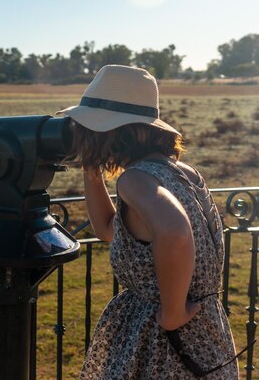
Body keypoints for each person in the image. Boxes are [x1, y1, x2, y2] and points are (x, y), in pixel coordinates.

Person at [56, 65, 240, 379]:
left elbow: (174, 229)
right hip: (206, 332)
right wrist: (92, 168)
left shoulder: (135, 180)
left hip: (160, 342)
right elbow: (107, 229)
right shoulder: (184, 173)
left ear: (106, 131)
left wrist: (172, 313)